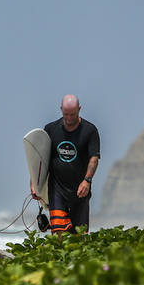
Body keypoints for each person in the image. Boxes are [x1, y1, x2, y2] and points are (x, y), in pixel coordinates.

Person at [33, 94, 100, 235]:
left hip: (80, 190)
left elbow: (94, 158)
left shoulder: (90, 131)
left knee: (80, 235)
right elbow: (40, 159)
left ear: (79, 109)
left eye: (73, 114)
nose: (69, 118)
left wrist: (87, 180)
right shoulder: (50, 129)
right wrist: (34, 183)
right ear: (61, 109)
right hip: (57, 189)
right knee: (58, 232)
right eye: (66, 114)